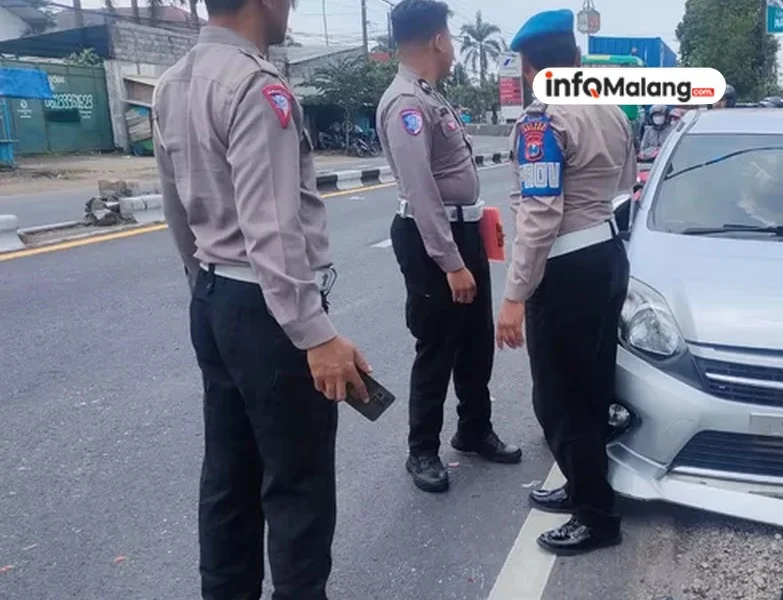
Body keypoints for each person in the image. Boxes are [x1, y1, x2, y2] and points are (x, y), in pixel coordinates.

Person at [152, 0, 371, 596]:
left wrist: (207, 292)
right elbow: (271, 227)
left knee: (228, 479)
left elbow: (176, 211)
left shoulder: (170, 83)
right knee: (297, 490)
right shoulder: (258, 86)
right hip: (270, 312)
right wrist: (314, 334)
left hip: (215, 295)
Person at [496, 8, 633, 556]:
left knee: (561, 397)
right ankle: (583, 485)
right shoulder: (611, 111)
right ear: (576, 60)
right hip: (605, 254)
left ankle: (596, 515)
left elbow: (540, 215)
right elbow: (623, 185)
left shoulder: (542, 119)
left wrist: (513, 296)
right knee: (592, 387)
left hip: (567, 269)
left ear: (530, 68)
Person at [377, 0, 521, 494]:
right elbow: (421, 193)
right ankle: (422, 450)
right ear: (438, 39)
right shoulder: (407, 105)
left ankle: (474, 428)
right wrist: (451, 261)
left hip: (462, 231)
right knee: (438, 345)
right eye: (452, 38)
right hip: (430, 239)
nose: (454, 48)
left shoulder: (429, 96)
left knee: (475, 341)